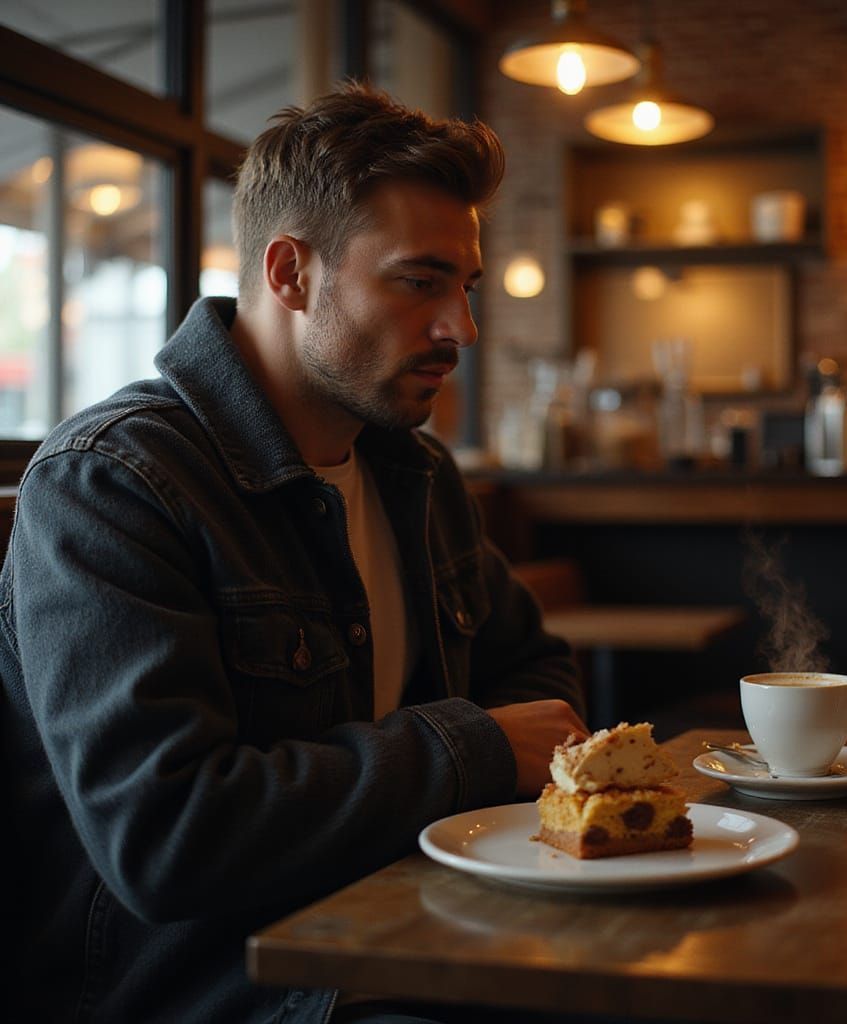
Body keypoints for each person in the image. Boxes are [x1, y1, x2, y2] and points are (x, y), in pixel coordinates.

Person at [0, 82, 587, 1024]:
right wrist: (471, 749)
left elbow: (533, 673)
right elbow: (167, 836)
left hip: (418, 929)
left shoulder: (418, 474)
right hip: (230, 991)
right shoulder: (112, 484)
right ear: (289, 274)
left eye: (465, 288)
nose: (461, 331)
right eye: (418, 280)